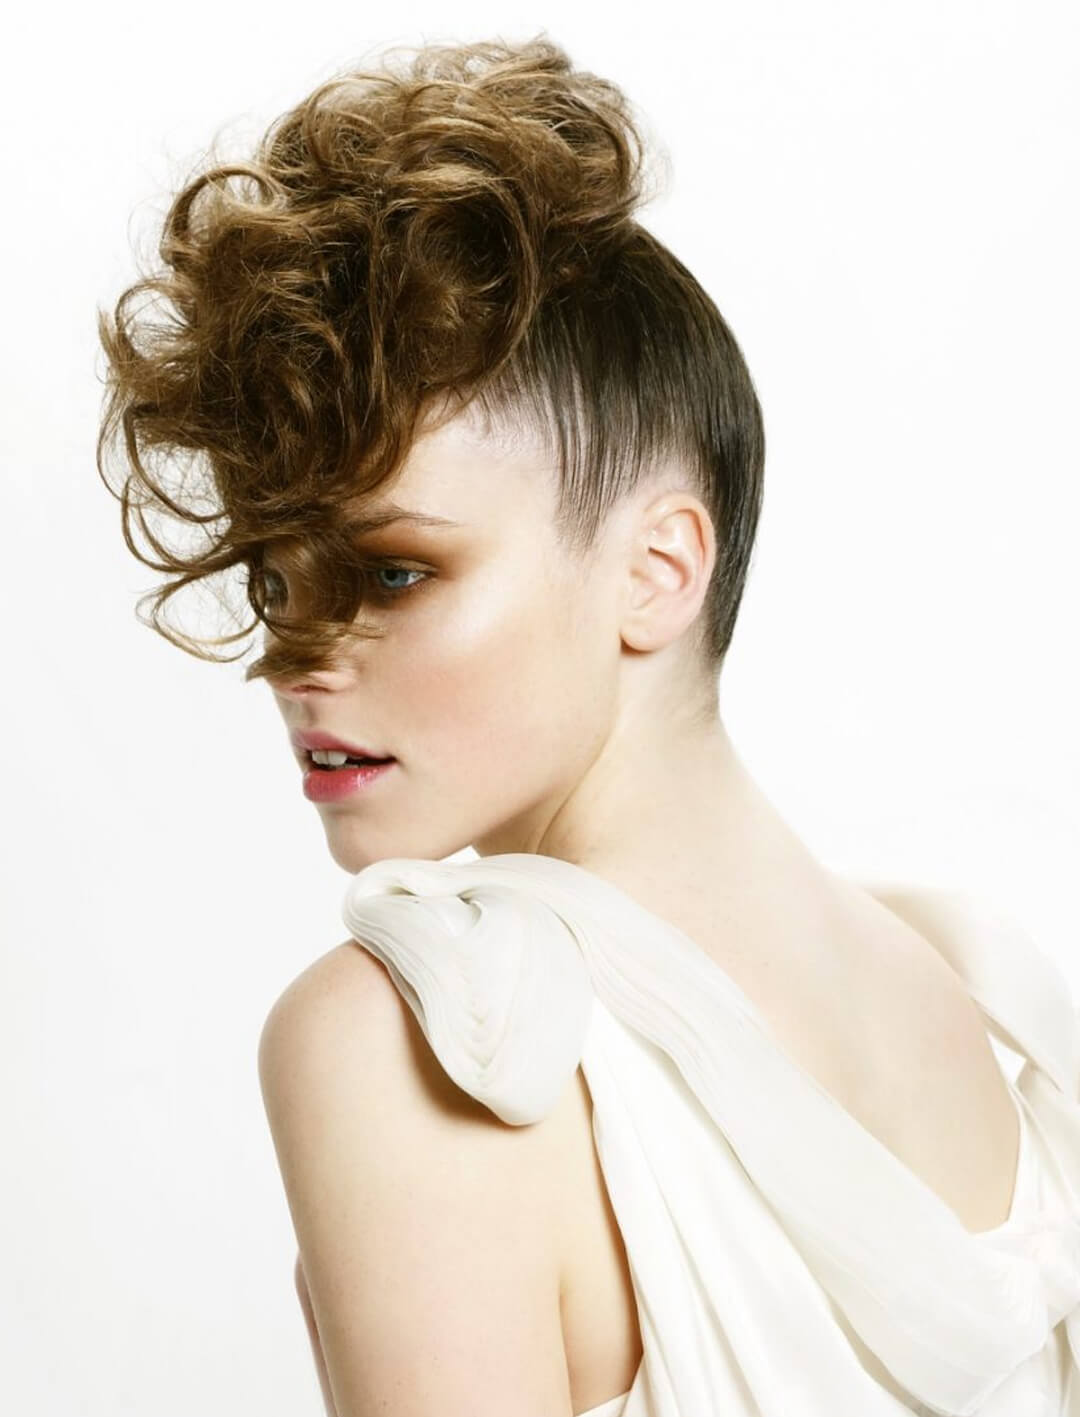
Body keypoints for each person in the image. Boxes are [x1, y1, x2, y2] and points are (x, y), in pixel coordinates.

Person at [95, 32, 1080, 1417]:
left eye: (391, 570)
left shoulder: (415, 1038)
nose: (294, 656)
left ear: (658, 568)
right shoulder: (965, 999)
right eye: (277, 573)